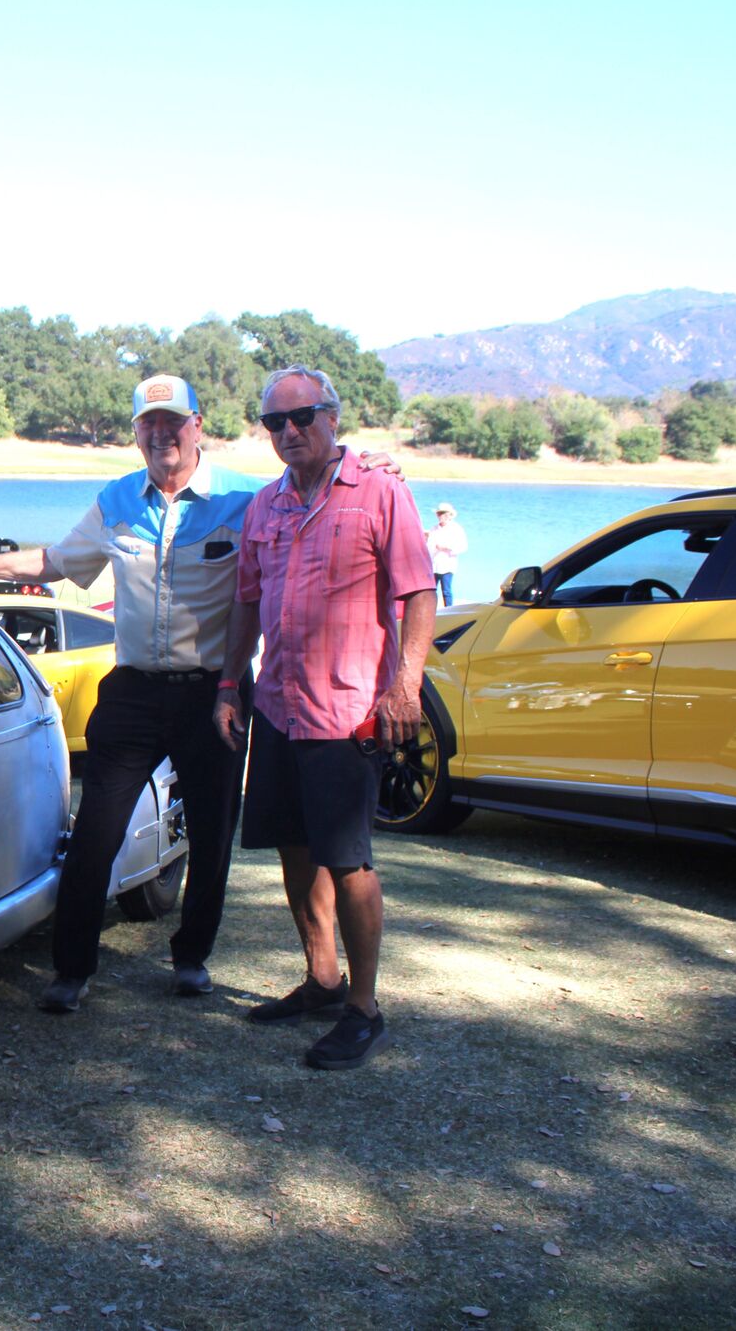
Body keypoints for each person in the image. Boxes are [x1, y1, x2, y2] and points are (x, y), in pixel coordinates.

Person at [0, 374, 398, 1014]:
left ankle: (192, 958)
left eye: (174, 421)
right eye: (149, 423)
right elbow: (53, 563)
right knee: (96, 832)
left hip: (214, 693)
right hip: (133, 691)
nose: (161, 434)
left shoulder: (247, 499)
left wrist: (366, 463)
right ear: (137, 432)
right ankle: (72, 969)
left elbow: (316, 490)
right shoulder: (116, 499)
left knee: (212, 835)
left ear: (198, 426)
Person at [215, 366, 436, 1071]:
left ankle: (364, 1010)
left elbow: (419, 592)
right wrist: (230, 683)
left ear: (332, 418)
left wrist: (406, 685)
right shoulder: (265, 505)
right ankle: (321, 978)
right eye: (273, 422)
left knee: (348, 859)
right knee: (293, 846)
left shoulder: (380, 490)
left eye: (301, 417)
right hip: (279, 703)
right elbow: (247, 601)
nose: (288, 432)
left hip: (348, 712)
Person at [425, 501, 466, 606]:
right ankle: (431, 609)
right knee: (431, 590)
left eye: (442, 513)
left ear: (449, 515)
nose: (440, 516)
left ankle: (448, 610)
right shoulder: (434, 529)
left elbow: (462, 546)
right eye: (438, 513)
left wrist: (446, 547)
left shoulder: (456, 529)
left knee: (446, 590)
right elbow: (429, 546)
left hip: (448, 565)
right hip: (434, 564)